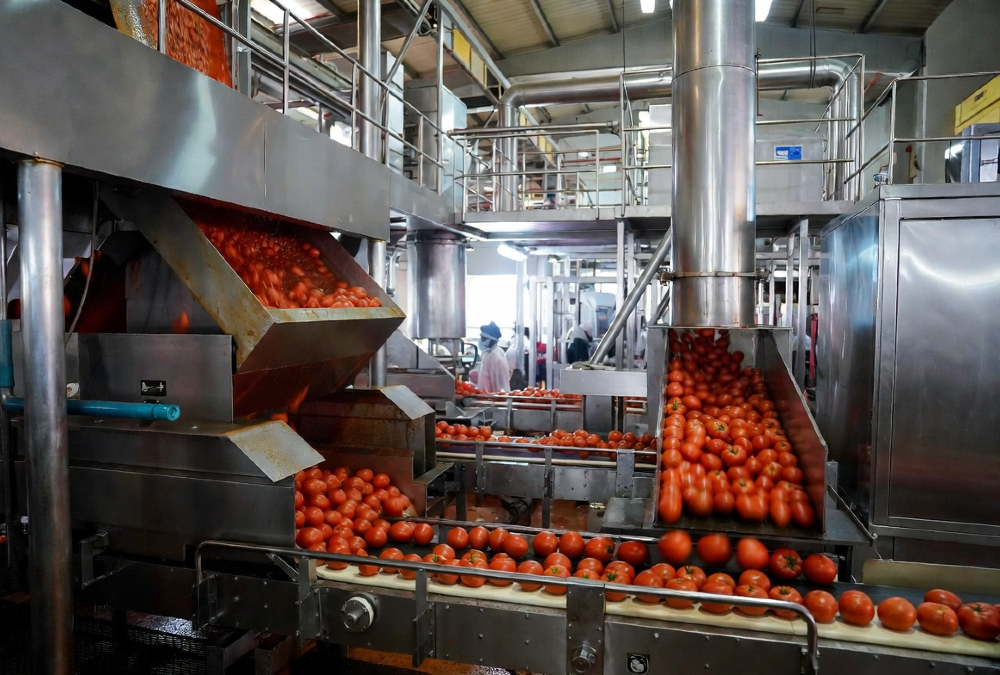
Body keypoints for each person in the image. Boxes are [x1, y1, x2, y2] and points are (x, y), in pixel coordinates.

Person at [477, 321, 510, 393]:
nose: (480, 341)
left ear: (491, 341)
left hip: (493, 399)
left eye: (483, 339)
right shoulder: (492, 352)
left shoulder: (494, 357)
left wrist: (495, 400)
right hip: (487, 397)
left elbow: (497, 384)